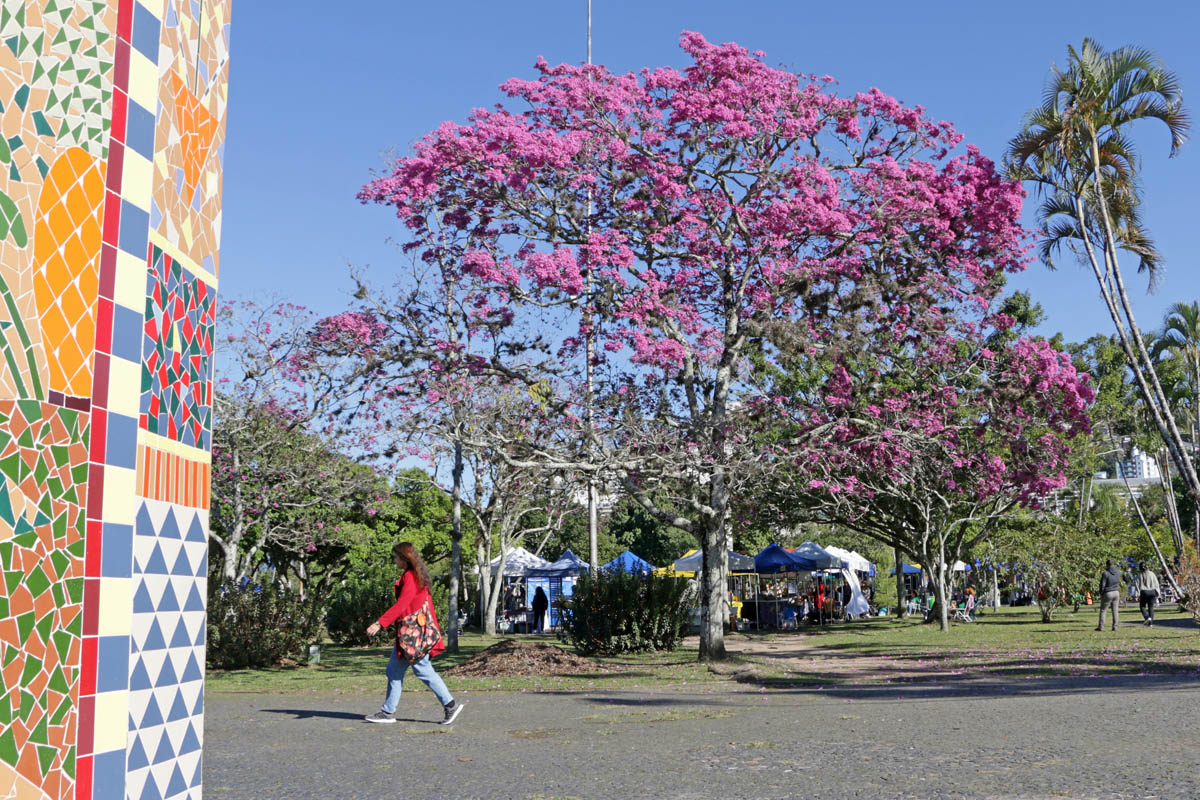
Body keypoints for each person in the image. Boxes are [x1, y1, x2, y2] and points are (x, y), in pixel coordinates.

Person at [364, 542, 463, 725]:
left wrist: (380, 623)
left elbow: (402, 604)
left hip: (412, 637)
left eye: (396, 557)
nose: (394, 561)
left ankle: (451, 705)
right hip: (408, 635)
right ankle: (387, 712)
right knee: (393, 670)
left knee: (423, 670)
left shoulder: (411, 577)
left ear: (404, 558)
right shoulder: (415, 575)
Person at [1096, 559, 1122, 632]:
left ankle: (1101, 626)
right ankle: (1115, 626)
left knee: (1103, 610)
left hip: (1108, 592)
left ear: (1107, 565)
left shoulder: (1105, 573)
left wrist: (1101, 593)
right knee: (1115, 610)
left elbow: (1102, 585)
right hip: (1116, 592)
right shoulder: (1118, 572)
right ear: (1114, 564)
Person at [1137, 562, 1161, 627]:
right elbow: (1156, 583)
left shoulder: (1141, 574)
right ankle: (1151, 623)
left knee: (1142, 606)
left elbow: (1138, 585)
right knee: (1151, 607)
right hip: (1152, 591)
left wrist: (1137, 594)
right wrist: (1158, 592)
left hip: (1144, 591)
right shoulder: (1152, 574)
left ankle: (1147, 617)